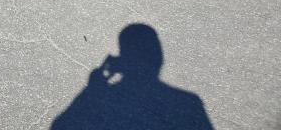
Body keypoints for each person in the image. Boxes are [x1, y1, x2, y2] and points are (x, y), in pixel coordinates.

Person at [52, 24, 213, 129]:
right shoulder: (189, 102)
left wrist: (93, 88)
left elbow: (60, 125)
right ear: (159, 57)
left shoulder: (189, 102)